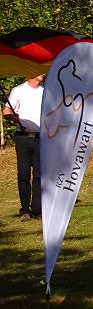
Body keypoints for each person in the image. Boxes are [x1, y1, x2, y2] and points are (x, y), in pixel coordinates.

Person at [2, 74, 45, 222]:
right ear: (31, 73)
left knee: (39, 175)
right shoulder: (18, 90)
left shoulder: (45, 92)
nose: (44, 73)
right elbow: (6, 111)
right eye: (40, 71)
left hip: (41, 138)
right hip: (23, 138)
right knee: (23, 175)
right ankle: (25, 210)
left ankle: (38, 209)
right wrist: (12, 117)